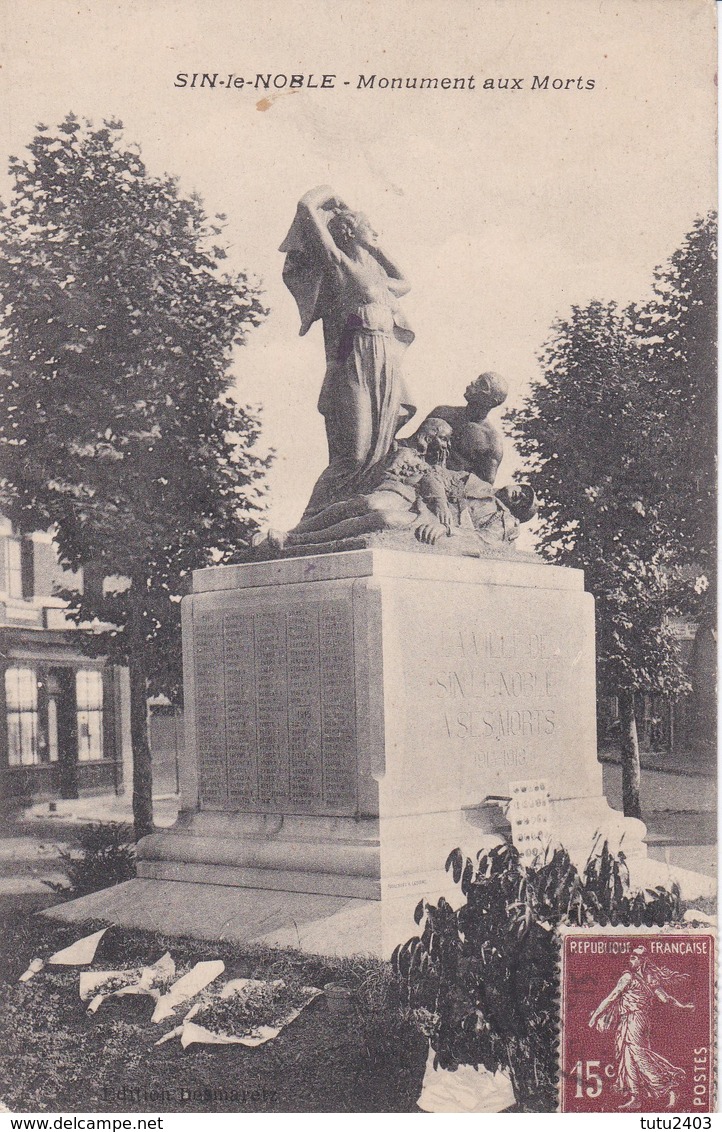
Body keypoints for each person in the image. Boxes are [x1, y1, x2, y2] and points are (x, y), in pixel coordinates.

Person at [280, 186, 416, 517]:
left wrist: (377, 248)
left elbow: (406, 282)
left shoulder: (380, 277)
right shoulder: (339, 264)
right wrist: (332, 195)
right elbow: (305, 206)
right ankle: (310, 520)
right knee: (354, 453)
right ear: (352, 231)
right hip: (355, 357)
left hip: (385, 359)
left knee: (379, 450)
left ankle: (352, 510)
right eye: (371, 227)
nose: (377, 233)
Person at [588, 947, 693, 1111]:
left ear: (643, 959)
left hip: (634, 1019)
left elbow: (612, 997)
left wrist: (595, 1016)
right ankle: (635, 1097)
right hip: (635, 1020)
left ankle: (670, 1087)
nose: (631, 960)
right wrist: (682, 1005)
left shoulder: (628, 977)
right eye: (631, 957)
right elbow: (665, 998)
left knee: (638, 1055)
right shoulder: (649, 978)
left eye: (635, 957)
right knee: (629, 1057)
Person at [427, 371, 508, 484]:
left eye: (483, 384)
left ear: (491, 402)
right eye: (478, 379)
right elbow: (414, 442)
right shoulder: (442, 412)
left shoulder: (492, 441)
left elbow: (483, 488)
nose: (473, 382)